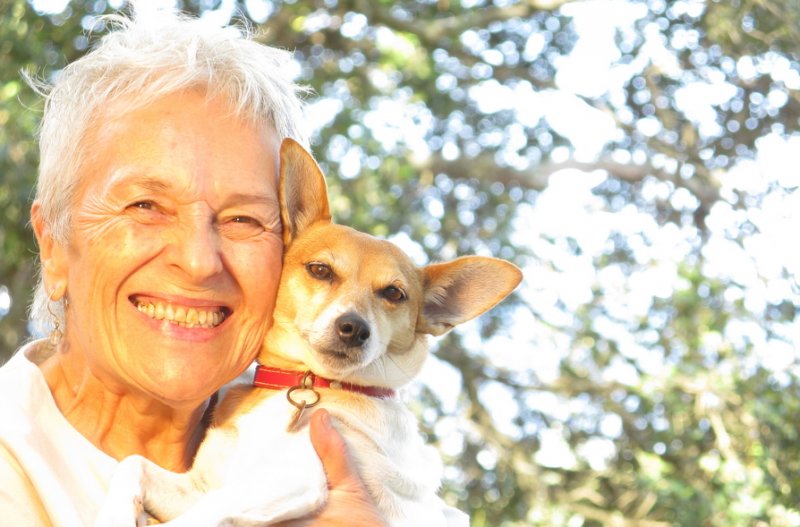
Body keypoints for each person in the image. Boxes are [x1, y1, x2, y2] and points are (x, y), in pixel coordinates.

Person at [0, 6, 394, 526]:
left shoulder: (353, 455)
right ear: (53, 244)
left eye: (243, 219)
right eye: (146, 206)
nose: (198, 261)